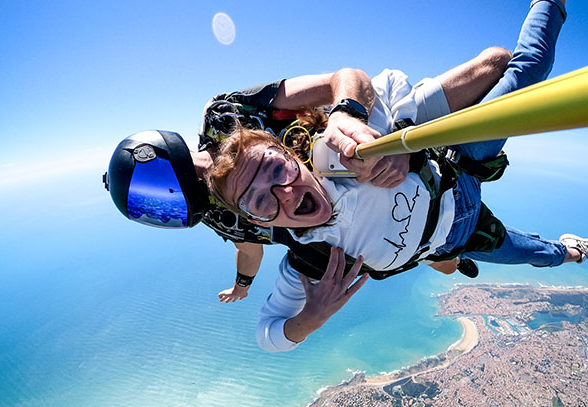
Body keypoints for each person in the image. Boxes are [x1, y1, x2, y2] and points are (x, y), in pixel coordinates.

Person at [207, 0, 584, 353]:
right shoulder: (310, 261)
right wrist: (311, 318)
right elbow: (267, 335)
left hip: (459, 168)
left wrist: (397, 139)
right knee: (544, 255)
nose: (285, 192)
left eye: (277, 168)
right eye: (261, 200)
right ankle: (570, 250)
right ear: (257, 220)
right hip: (461, 239)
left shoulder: (342, 151)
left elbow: (386, 83)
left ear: (295, 156)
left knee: (530, 69)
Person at [104, 49, 512, 301]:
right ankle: (455, 252)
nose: (173, 205)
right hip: (359, 226)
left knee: (496, 64)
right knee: (439, 257)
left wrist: (345, 115)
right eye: (159, 211)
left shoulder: (229, 113)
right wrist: (243, 286)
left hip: (371, 137)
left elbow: (345, 78)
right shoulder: (215, 211)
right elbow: (248, 244)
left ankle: (440, 162)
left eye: (162, 197)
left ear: (168, 154)